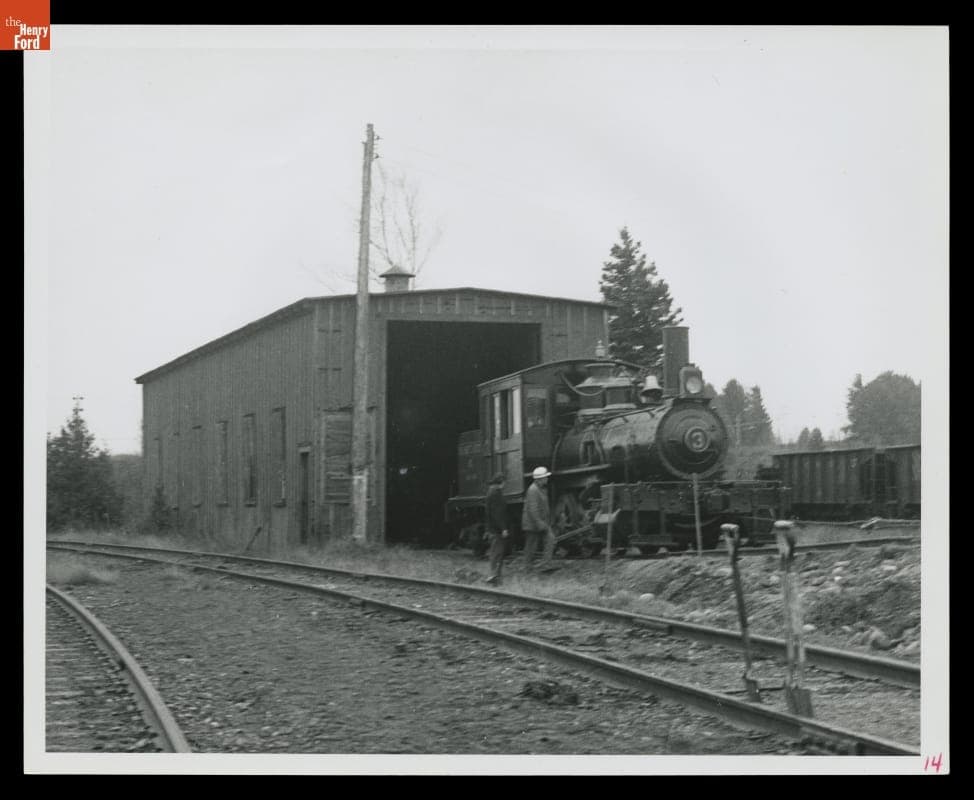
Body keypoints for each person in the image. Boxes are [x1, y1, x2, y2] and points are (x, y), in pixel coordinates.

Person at [521, 466, 555, 571]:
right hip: (533, 524)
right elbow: (533, 509)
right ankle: (527, 567)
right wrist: (539, 523)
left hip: (541, 522)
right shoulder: (533, 490)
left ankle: (545, 564)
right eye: (545, 477)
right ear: (539, 479)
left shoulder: (541, 489)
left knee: (550, 539)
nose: (547, 479)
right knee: (531, 546)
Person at [484, 472, 508, 585]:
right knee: (497, 552)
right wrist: (503, 528)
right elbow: (497, 513)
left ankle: (495, 577)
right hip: (496, 529)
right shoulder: (496, 493)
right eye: (504, 482)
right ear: (502, 482)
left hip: (493, 528)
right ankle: (493, 576)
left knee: (496, 552)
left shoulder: (491, 491)